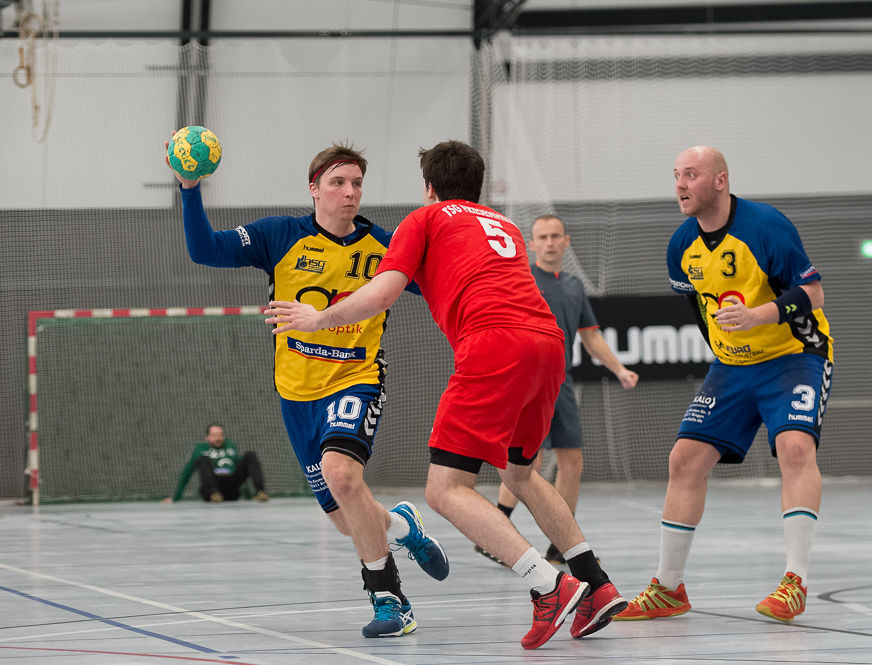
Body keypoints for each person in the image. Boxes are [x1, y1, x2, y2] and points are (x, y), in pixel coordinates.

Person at [266, 140, 628, 649]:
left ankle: (547, 585)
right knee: (520, 474)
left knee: (444, 490)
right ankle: (595, 581)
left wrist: (319, 317)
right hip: (548, 345)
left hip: (493, 345)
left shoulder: (424, 219)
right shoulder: (502, 224)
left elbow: (383, 293)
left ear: (429, 188)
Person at [168, 137, 449, 639]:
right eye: (338, 183)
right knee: (345, 517)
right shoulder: (279, 235)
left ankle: (389, 599)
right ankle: (403, 525)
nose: (350, 192)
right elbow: (204, 249)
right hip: (296, 393)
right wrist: (190, 187)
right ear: (314, 189)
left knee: (343, 477)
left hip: (357, 377)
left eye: (357, 183)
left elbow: (440, 285)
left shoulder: (386, 247)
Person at [615, 146, 832, 624]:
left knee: (796, 449)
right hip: (733, 366)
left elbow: (814, 292)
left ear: (720, 181)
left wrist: (758, 315)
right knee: (684, 460)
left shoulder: (766, 226)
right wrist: (726, 349)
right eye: (676, 175)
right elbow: (699, 310)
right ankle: (668, 588)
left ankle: (794, 582)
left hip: (794, 356)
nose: (680, 184)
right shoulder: (681, 246)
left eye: (691, 174)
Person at [475, 215, 639, 568]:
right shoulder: (521, 279)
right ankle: (493, 535)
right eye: (542, 237)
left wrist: (619, 369)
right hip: (525, 382)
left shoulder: (574, 285)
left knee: (572, 460)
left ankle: (561, 545)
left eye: (555, 236)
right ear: (531, 244)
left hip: (560, 383)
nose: (549, 242)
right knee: (526, 460)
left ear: (566, 241)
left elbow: (591, 337)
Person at [162, 424, 268, 504]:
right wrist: (174, 498)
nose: (217, 438)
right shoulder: (199, 449)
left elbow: (243, 468)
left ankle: (260, 492)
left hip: (231, 487)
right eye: (214, 435)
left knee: (250, 455)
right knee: (202, 459)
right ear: (207, 437)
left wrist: (248, 495)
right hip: (213, 487)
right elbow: (186, 473)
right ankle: (214, 494)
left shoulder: (230, 446)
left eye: (220, 435)